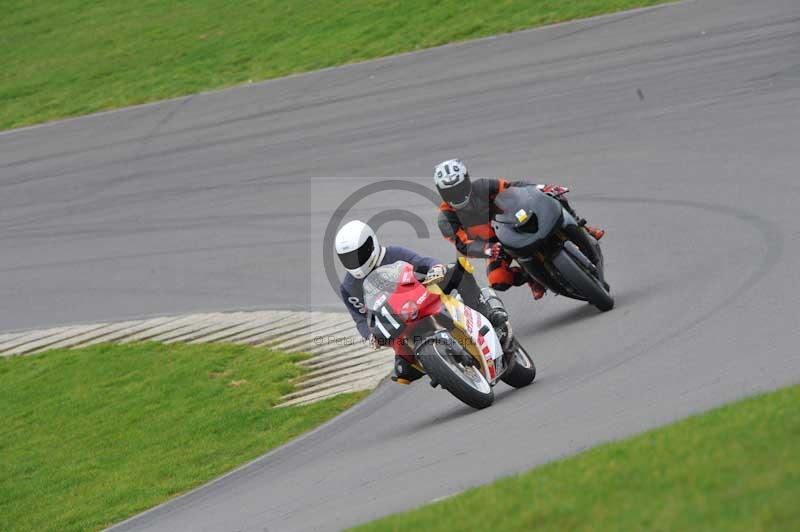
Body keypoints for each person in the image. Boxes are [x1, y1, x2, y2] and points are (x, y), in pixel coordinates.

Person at [335, 219, 509, 384]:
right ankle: (442, 368)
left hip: (422, 296)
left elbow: (422, 262)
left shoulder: (394, 253)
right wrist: (369, 335)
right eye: (349, 257)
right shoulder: (349, 287)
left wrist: (436, 268)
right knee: (403, 372)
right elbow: (359, 317)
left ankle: (486, 309)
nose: (355, 261)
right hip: (398, 324)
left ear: (371, 242)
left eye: (359, 254)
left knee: (457, 271)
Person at [434, 158, 604, 300]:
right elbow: (462, 244)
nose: (456, 195)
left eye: (459, 188)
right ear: (442, 192)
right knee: (498, 280)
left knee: (555, 196)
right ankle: (530, 276)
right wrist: (487, 250)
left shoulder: (483, 186)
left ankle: (583, 228)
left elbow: (513, 187)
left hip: (515, 225)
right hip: (496, 246)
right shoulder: (446, 218)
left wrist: (541, 188)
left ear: (467, 180)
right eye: (450, 192)